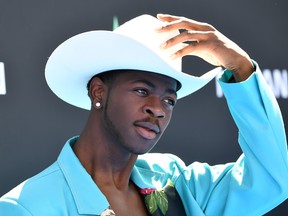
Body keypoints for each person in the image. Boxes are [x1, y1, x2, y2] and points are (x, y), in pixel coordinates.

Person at [0, 13, 287, 216]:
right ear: (98, 92)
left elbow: (274, 176)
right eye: (141, 90)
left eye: (169, 100)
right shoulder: (26, 207)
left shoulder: (179, 184)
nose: (158, 109)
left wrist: (240, 67)